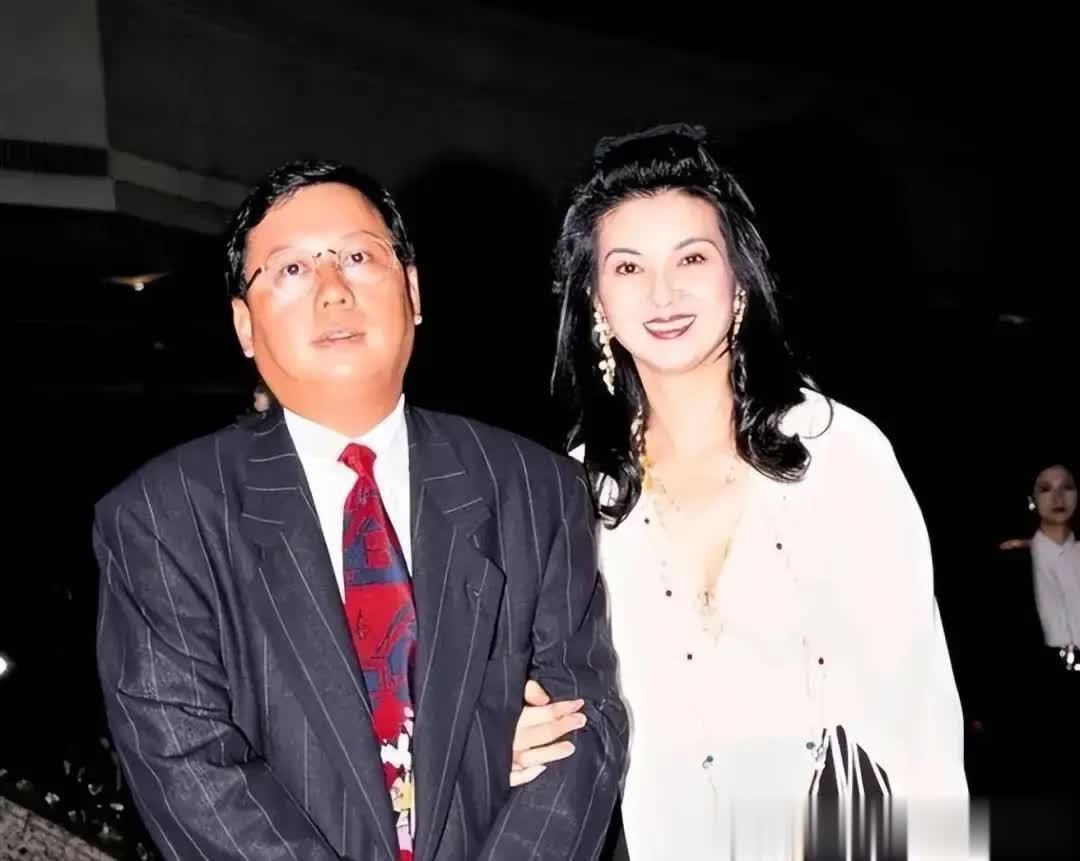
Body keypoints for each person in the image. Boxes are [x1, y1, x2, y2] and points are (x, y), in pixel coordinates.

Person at [92, 160, 627, 861]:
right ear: (244, 325)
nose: (332, 289)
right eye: (291, 269)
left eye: (357, 257)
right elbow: (188, 767)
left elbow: (584, 728)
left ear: (412, 290)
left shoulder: (536, 489)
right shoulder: (164, 517)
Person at [516, 123, 969, 859]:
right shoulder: (572, 493)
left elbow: (918, 704)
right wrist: (511, 735)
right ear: (596, 299)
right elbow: (567, 708)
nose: (662, 293)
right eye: (628, 267)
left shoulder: (838, 452)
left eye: (692, 257)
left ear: (740, 280)